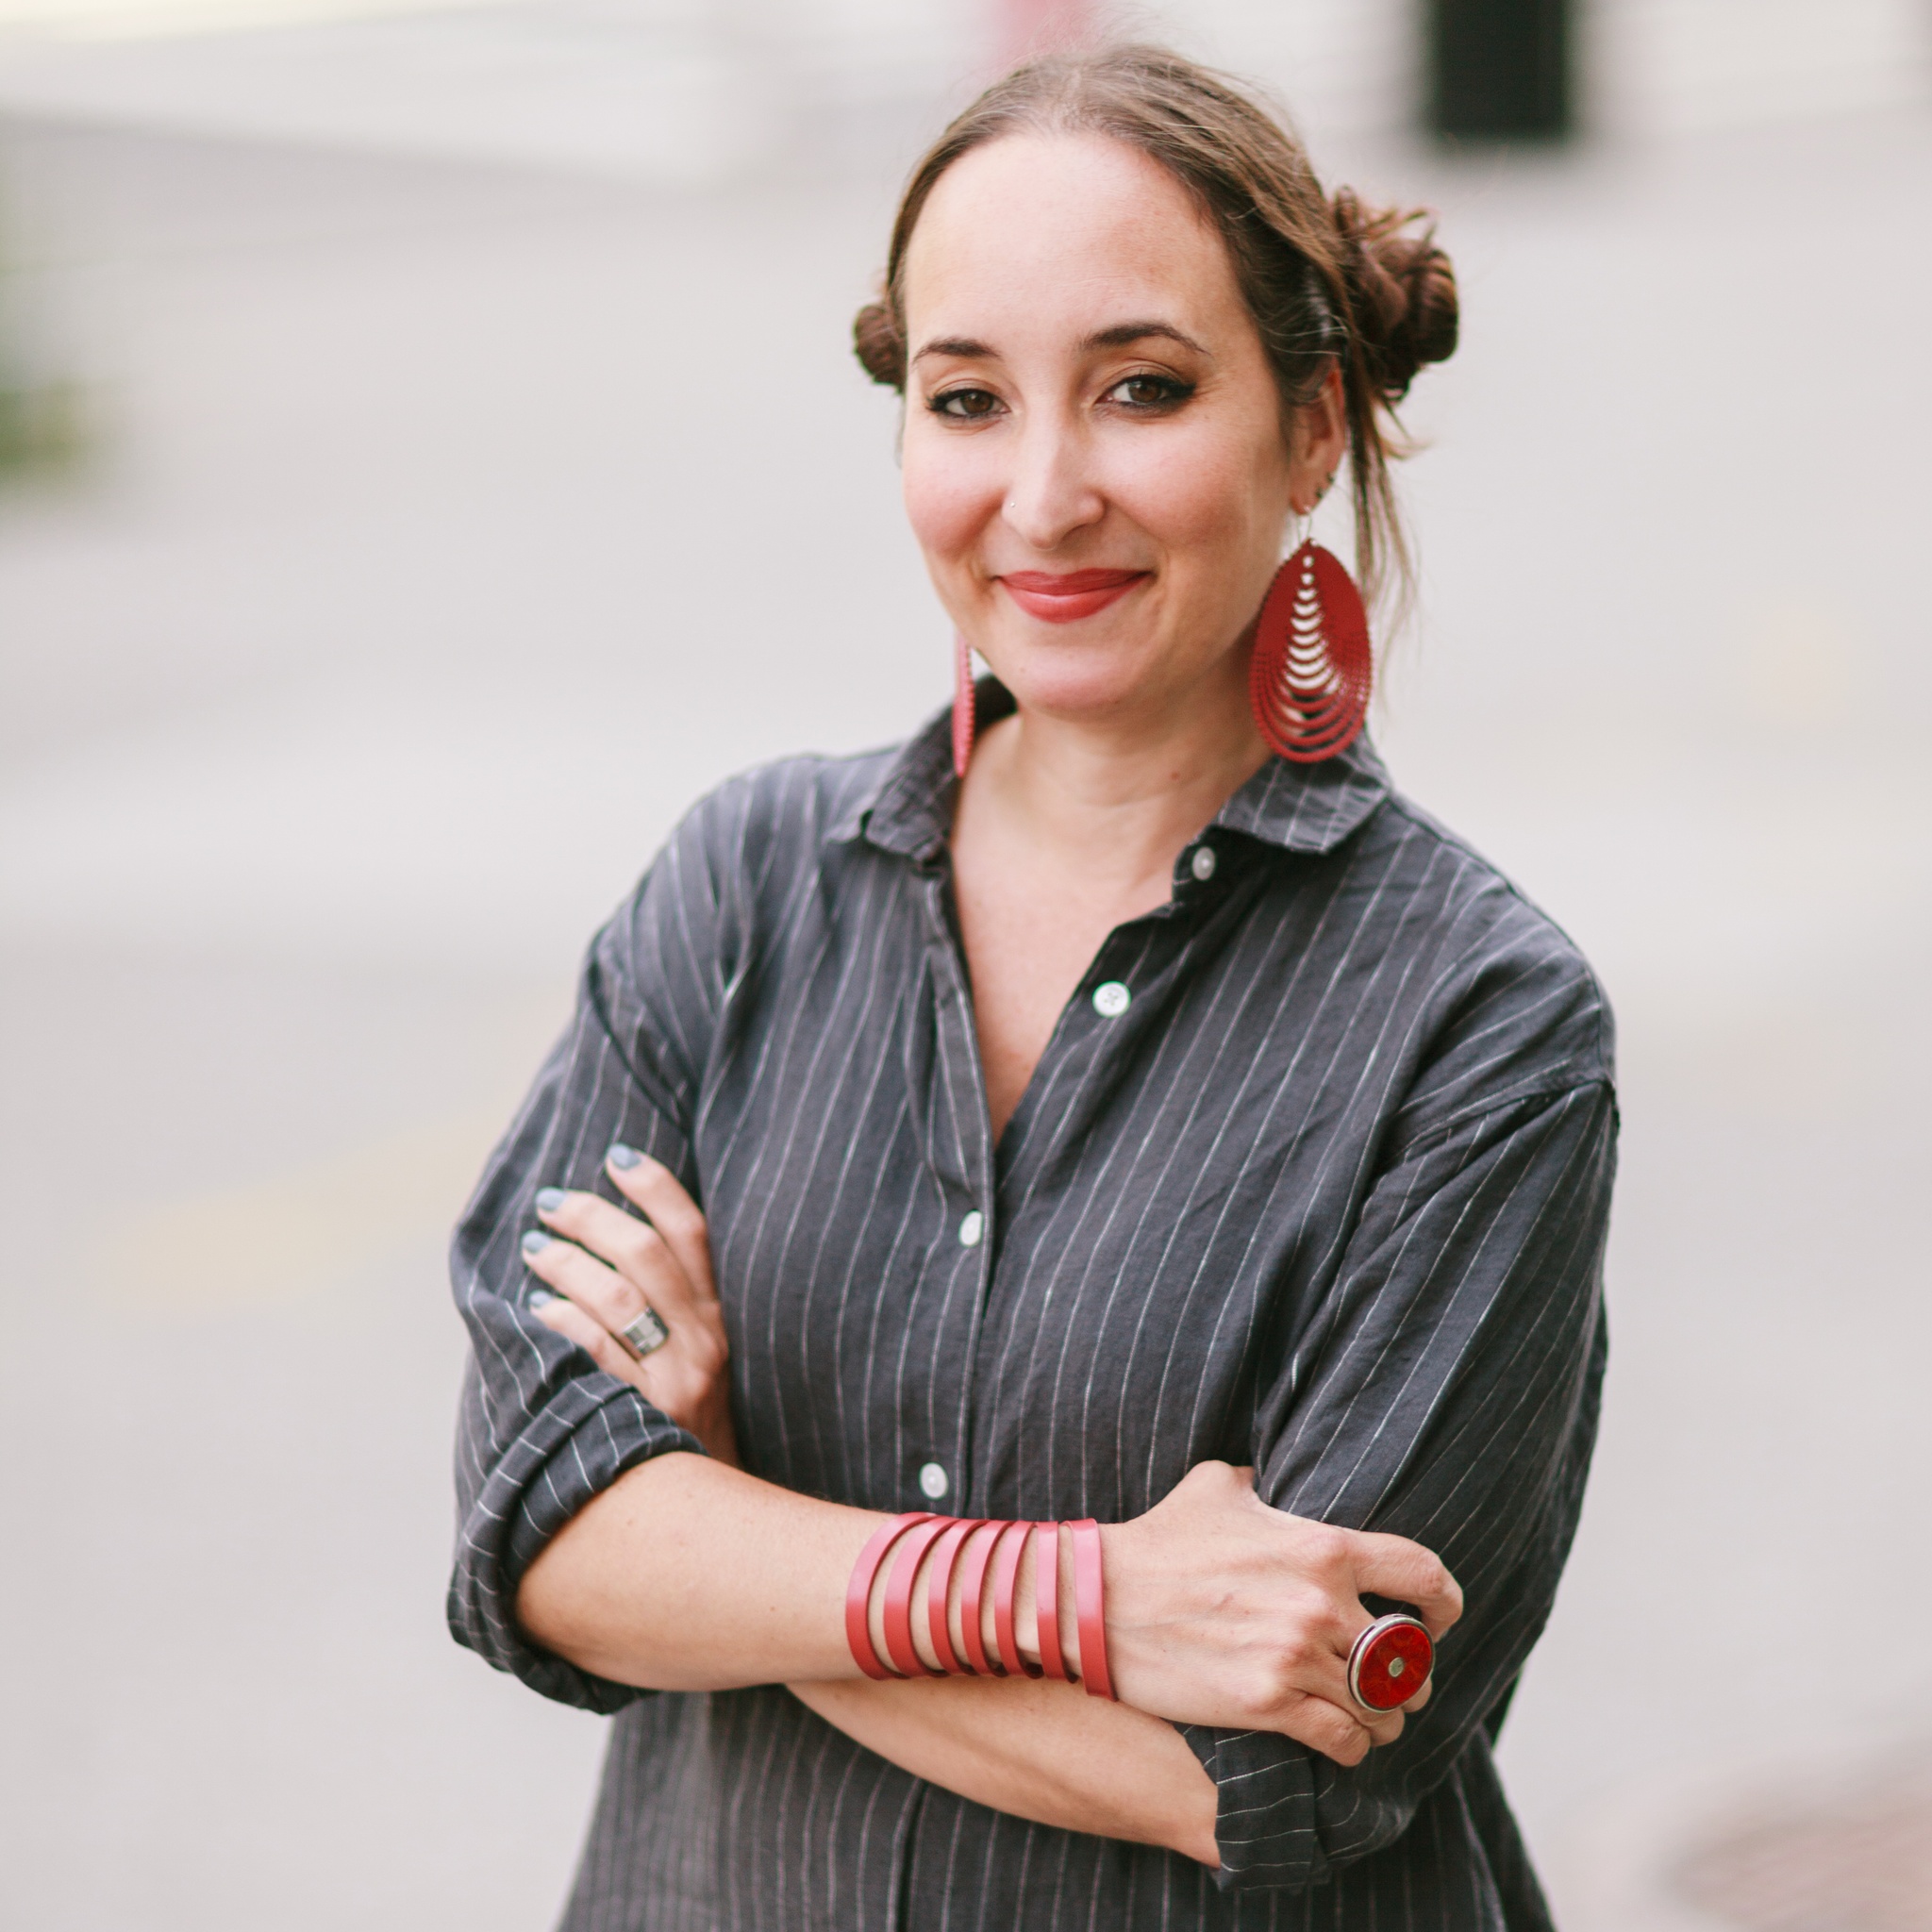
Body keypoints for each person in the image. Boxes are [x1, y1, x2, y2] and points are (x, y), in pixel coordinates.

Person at [449, 42, 1614, 1932]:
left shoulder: (1478, 1024)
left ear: (1311, 424)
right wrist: (1091, 1599)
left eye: (1141, 390)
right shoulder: (739, 886)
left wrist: (731, 1538)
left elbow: (1286, 1773)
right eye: (966, 397)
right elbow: (540, 1531)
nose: (1044, 494)